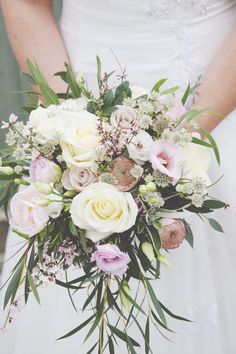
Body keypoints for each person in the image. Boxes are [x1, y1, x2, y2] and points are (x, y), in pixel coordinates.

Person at [0, 0, 236, 353]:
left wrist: (179, 145)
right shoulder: (74, 135)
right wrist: (72, 131)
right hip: (78, 118)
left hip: (217, 109)